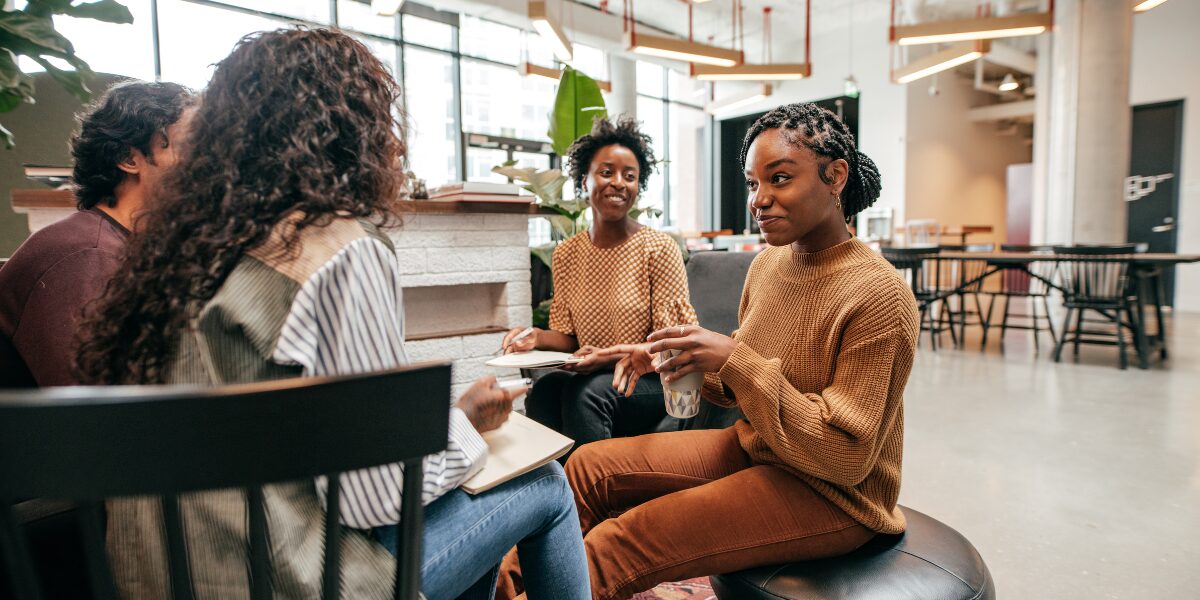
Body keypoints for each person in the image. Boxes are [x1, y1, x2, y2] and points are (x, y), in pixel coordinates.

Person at [77, 29, 588, 600]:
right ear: (352, 130)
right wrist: (466, 425)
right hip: (287, 581)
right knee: (543, 484)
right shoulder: (336, 246)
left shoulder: (176, 251)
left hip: (160, 578)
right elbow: (373, 496)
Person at [505, 102, 920, 600]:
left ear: (835, 177)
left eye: (779, 178)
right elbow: (730, 389)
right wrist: (679, 359)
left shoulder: (879, 293)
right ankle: (495, 588)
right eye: (752, 183)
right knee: (586, 469)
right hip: (759, 447)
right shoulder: (769, 265)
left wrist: (732, 359)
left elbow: (844, 457)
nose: (759, 200)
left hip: (835, 494)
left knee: (620, 542)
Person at [500, 116, 697, 457]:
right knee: (546, 389)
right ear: (584, 180)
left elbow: (673, 344)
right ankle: (554, 485)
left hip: (652, 377)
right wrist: (535, 337)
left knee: (587, 393)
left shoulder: (658, 248)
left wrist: (606, 356)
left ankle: (594, 490)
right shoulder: (567, 254)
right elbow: (568, 338)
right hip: (598, 374)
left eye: (629, 176)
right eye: (607, 172)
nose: (618, 183)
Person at [0, 80, 193, 387]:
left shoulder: (130, 246)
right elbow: (97, 403)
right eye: (190, 145)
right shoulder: (86, 256)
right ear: (129, 159)